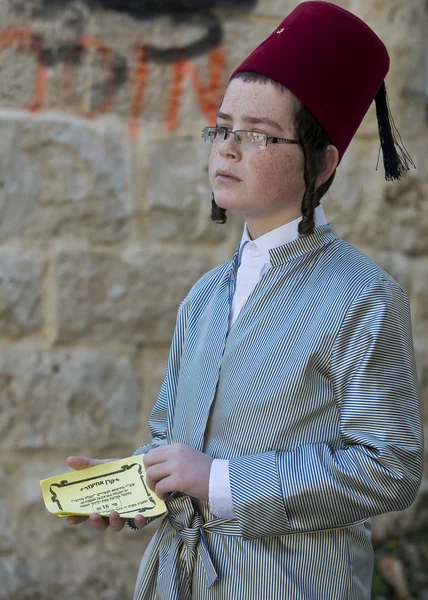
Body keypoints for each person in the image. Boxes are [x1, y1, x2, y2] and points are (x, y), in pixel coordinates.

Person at [67, 2, 424, 598]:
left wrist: (221, 481)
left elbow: (390, 469)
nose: (228, 148)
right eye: (223, 127)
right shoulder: (205, 295)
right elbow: (172, 441)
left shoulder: (365, 296)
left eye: (258, 134)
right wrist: (129, 488)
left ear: (321, 162)